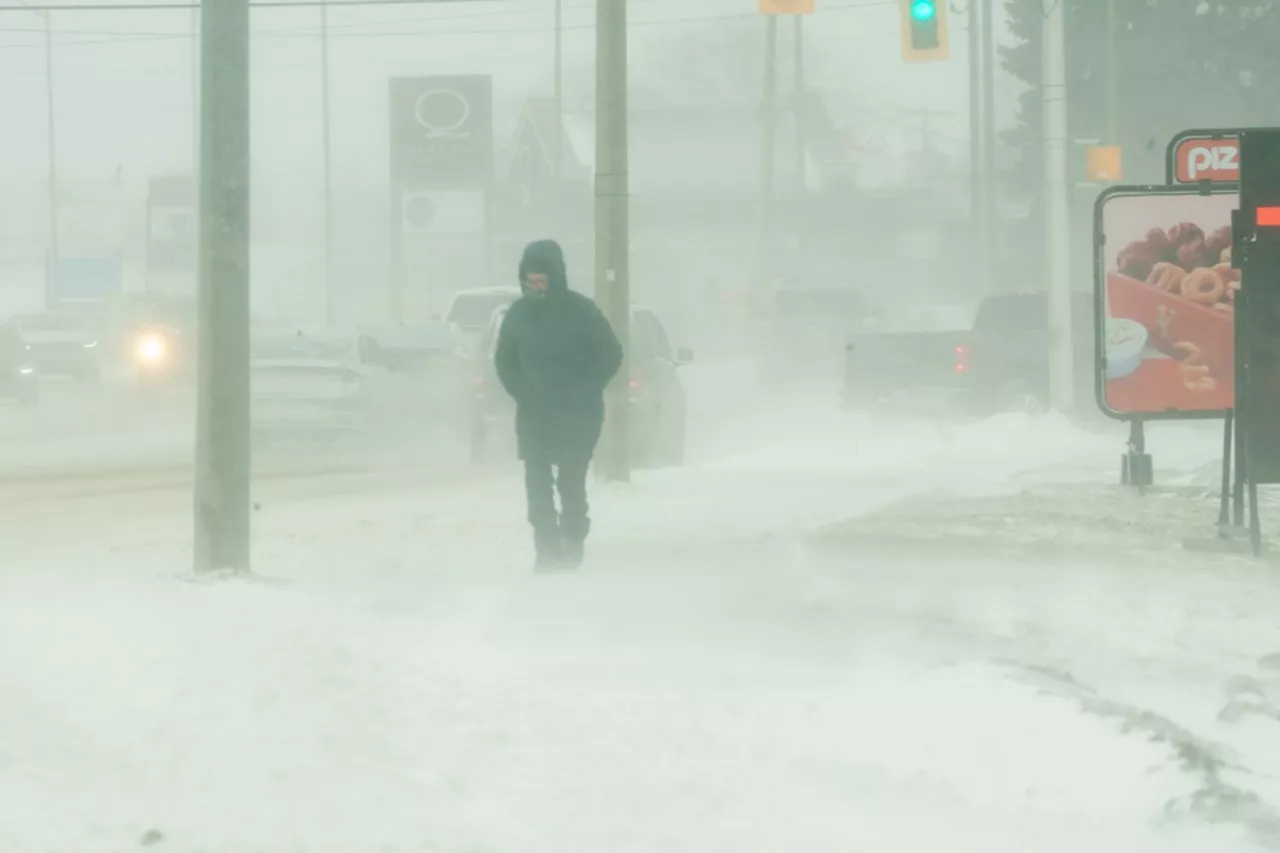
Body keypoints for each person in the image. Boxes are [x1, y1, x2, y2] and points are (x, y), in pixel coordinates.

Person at [494, 239, 623, 571]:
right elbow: (505, 362)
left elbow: (610, 354)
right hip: (534, 413)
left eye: (541, 279)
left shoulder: (582, 311)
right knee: (536, 482)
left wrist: (584, 389)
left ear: (556, 276)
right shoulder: (518, 316)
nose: (534, 286)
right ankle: (546, 546)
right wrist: (523, 392)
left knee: (571, 479)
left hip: (577, 414)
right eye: (529, 280)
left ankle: (573, 538)